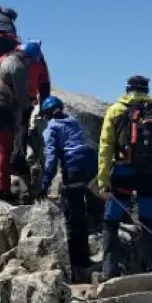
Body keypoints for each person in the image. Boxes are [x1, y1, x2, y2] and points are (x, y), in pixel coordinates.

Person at [97, 75, 152, 280]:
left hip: (122, 172)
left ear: (128, 89)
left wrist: (103, 180)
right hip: (150, 174)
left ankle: (110, 271)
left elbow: (105, 148)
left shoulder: (116, 110)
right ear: (147, 90)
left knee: (111, 221)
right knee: (148, 220)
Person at [37, 96, 98, 278]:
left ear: (46, 114)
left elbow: (51, 158)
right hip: (91, 164)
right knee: (88, 208)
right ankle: (89, 250)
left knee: (75, 214)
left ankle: (79, 261)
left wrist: (44, 184)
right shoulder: (73, 121)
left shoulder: (51, 128)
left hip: (74, 167)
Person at [0, 45, 35, 202]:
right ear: (28, 57)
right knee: (5, 150)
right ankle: (2, 188)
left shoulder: (0, 60)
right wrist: (29, 105)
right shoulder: (18, 66)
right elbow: (21, 97)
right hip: (3, 110)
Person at [13, 40, 52, 175]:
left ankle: (16, 158)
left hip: (15, 98)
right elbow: (44, 86)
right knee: (21, 128)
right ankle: (18, 159)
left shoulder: (15, 54)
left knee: (18, 128)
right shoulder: (39, 61)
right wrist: (44, 108)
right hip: (25, 98)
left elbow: (44, 85)